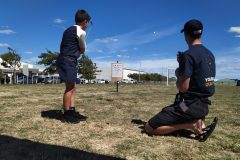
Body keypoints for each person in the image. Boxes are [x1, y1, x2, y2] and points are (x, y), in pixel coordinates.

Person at [144, 19, 218, 141]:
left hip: (189, 105)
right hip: (203, 106)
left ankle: (191, 124)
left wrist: (179, 74)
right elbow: (199, 76)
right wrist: (182, 66)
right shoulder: (210, 54)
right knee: (177, 105)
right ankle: (199, 121)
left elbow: (183, 87)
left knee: (149, 127)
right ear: (201, 33)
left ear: (186, 35)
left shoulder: (188, 55)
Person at [56, 9, 91, 123]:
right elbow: (82, 49)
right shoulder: (81, 31)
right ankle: (67, 113)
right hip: (68, 60)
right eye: (88, 23)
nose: (87, 25)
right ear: (85, 22)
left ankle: (72, 110)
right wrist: (80, 51)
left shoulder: (68, 30)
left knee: (72, 86)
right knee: (70, 88)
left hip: (65, 59)